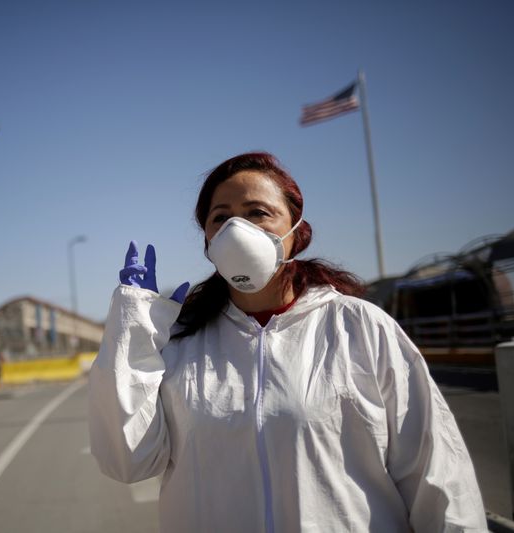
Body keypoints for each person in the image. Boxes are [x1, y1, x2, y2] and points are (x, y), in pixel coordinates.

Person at [88, 151, 487, 532]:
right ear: (208, 242)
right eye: (220, 219)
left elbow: (438, 476)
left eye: (257, 213)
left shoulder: (360, 327)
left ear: (297, 233)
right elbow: (128, 461)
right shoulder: (181, 342)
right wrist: (134, 333)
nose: (236, 230)